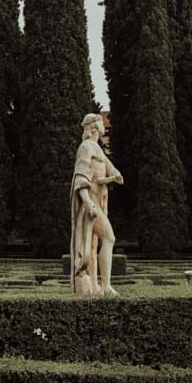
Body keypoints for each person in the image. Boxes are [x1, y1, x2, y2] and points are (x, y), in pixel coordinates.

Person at [70, 113, 123, 295]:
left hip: (98, 203)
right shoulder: (86, 148)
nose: (104, 126)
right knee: (108, 238)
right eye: (101, 123)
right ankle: (106, 285)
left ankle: (95, 287)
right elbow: (81, 178)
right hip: (91, 203)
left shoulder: (97, 149)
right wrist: (86, 202)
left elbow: (108, 168)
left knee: (92, 245)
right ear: (94, 126)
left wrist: (114, 175)